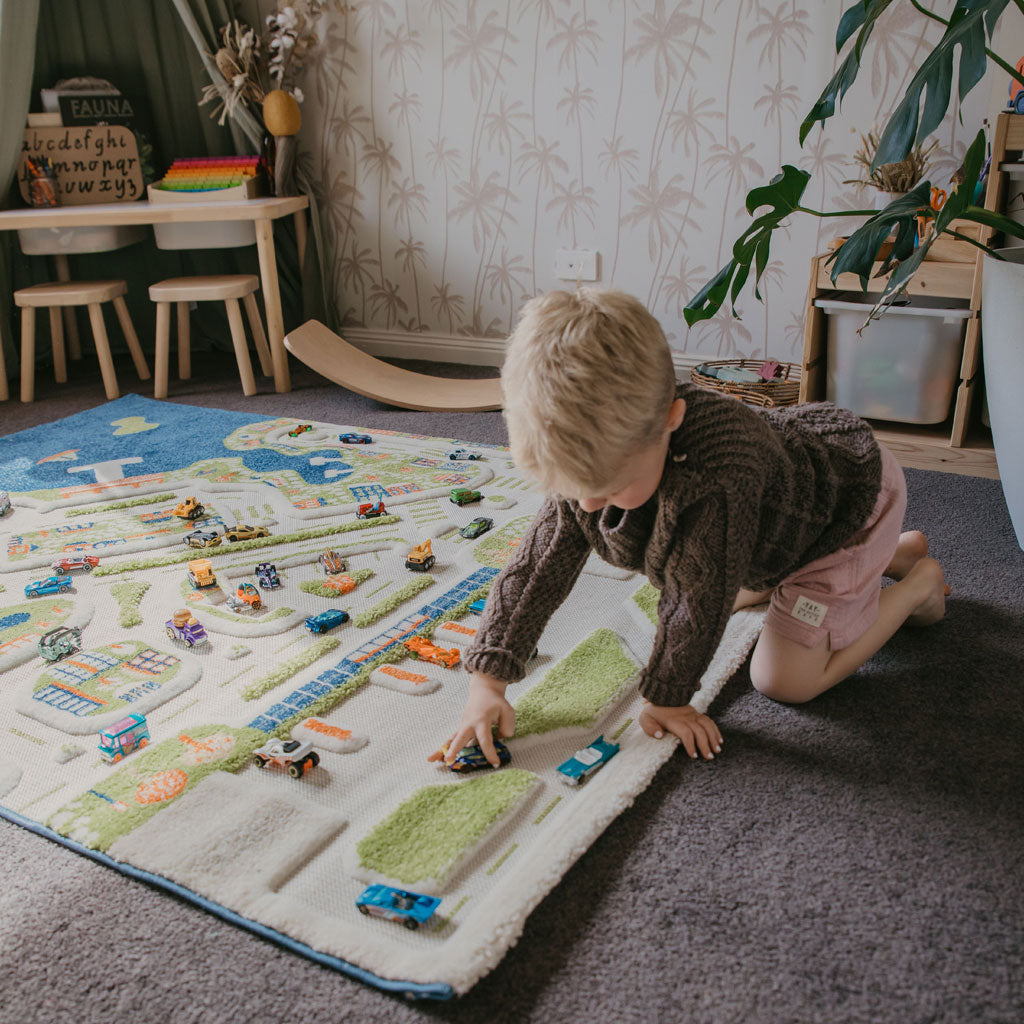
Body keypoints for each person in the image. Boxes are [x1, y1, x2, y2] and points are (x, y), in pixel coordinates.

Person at [428, 288, 949, 769]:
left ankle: (915, 585)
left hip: (849, 512)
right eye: (572, 489)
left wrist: (668, 700)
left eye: (610, 488)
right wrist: (488, 681)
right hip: (777, 527)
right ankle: (894, 552)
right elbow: (537, 568)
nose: (587, 506)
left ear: (672, 418)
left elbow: (697, 596)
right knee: (726, 586)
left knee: (782, 680)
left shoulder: (717, 475)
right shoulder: (595, 455)